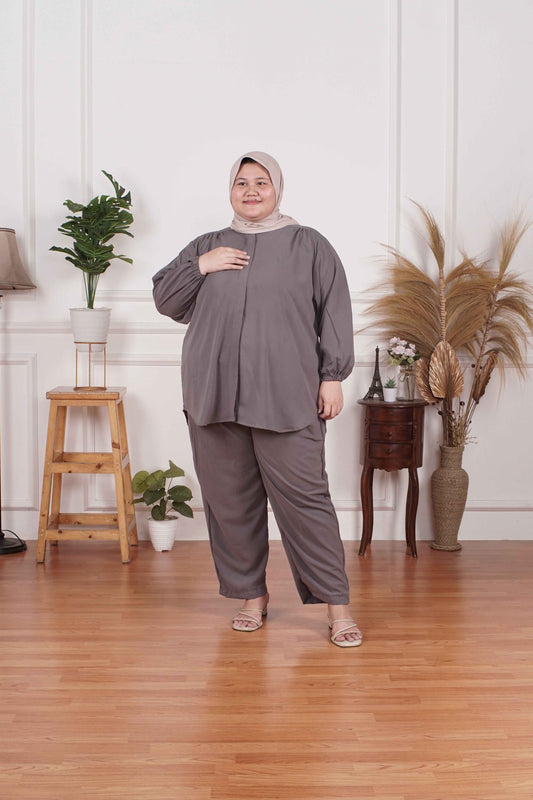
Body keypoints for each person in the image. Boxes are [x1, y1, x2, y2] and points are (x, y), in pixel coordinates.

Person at [152, 151, 362, 647]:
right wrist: (201, 266)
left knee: (307, 502)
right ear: (230, 190)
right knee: (231, 503)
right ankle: (252, 597)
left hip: (286, 395)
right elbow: (166, 300)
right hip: (214, 393)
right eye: (241, 182)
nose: (250, 190)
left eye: (261, 182)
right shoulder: (207, 244)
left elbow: (334, 310)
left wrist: (332, 376)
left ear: (277, 188)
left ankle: (338, 608)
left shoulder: (309, 245)